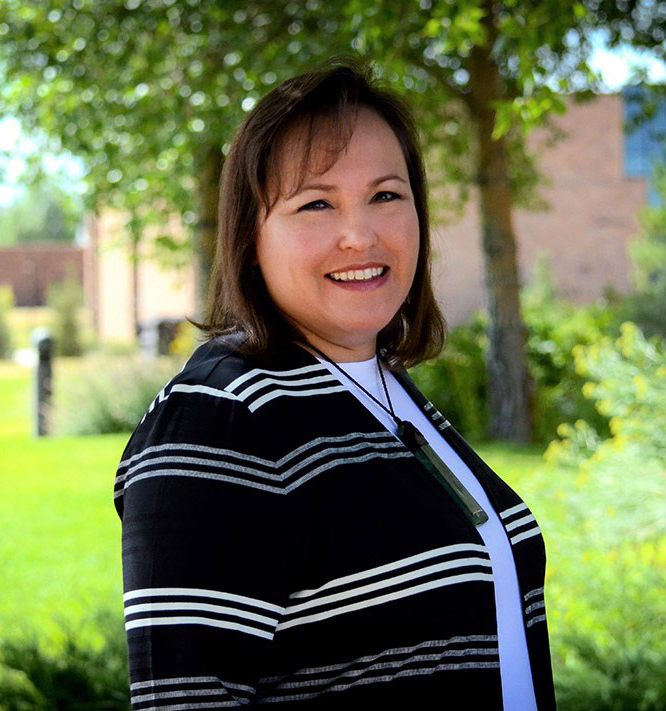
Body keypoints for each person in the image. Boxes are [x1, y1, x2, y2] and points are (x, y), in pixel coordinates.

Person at [114, 57, 556, 710]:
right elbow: (186, 696)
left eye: (386, 195)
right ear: (250, 238)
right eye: (316, 203)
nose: (360, 234)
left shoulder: (383, 385)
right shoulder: (219, 421)